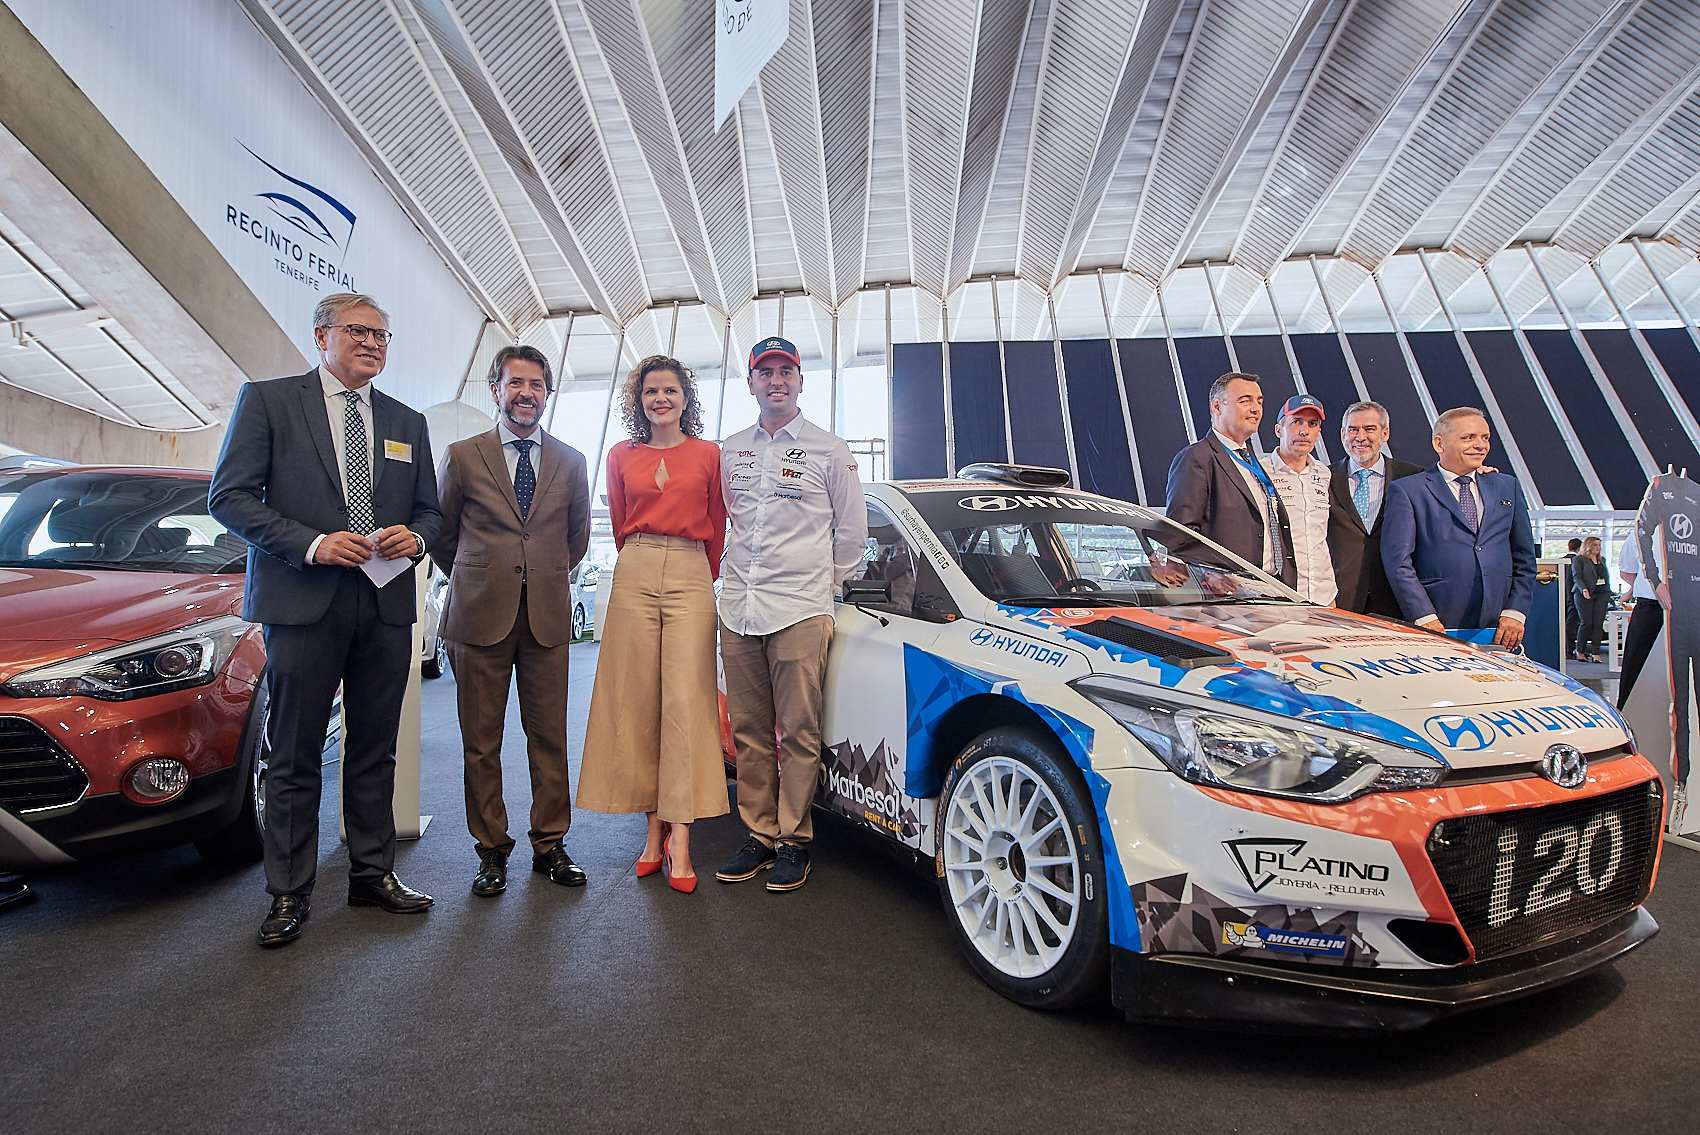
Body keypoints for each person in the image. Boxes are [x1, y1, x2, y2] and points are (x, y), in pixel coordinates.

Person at [209, 293, 441, 948]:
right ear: (322, 335)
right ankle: (288, 890)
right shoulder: (269, 402)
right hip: (303, 600)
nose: (372, 342)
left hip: (384, 601)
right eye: (358, 330)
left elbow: (432, 512)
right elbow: (227, 497)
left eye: (381, 334)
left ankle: (372, 872)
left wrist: (415, 539)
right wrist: (312, 543)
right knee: (294, 750)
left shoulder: (407, 421)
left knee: (375, 746)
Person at [432, 345, 591, 898]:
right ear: (495, 389)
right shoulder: (461, 455)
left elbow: (577, 539)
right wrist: (484, 575)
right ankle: (491, 850)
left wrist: (539, 575)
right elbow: (442, 535)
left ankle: (551, 844)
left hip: (545, 615)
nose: (527, 394)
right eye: (515, 383)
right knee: (481, 742)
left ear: (547, 394)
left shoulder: (571, 461)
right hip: (478, 615)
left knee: (549, 737)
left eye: (537, 385)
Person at [716, 336, 867, 892]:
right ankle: (758, 833)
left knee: (798, 730)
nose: (775, 380)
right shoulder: (730, 449)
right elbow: (726, 521)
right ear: (751, 383)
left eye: (786, 371)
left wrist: (822, 588)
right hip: (738, 607)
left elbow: (852, 535)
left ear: (801, 381)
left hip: (800, 608)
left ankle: (794, 838)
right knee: (750, 730)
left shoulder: (830, 449)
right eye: (765, 372)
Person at [578, 356, 728, 893]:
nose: (659, 399)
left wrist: (694, 573)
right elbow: (619, 522)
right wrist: (647, 559)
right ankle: (651, 832)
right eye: (649, 392)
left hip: (691, 569)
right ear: (637, 401)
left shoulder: (710, 455)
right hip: (636, 565)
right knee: (638, 698)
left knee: (687, 702)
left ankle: (681, 839)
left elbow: (718, 527)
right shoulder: (621, 455)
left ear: (686, 397)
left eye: (669, 390)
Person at [1380, 407, 1536, 650]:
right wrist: (1423, 615)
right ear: (1439, 443)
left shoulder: (1507, 486)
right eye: (1468, 438)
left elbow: (1525, 558)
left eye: (1485, 438)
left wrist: (1516, 611)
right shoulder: (1409, 491)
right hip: (1438, 623)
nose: (1480, 445)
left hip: (1499, 626)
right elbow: (1398, 561)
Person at [1164, 372, 1298, 587]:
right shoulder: (1197, 458)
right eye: (1245, 401)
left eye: (1259, 401)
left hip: (1272, 589)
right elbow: (1181, 534)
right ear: (1217, 407)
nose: (1256, 408)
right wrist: (1213, 572)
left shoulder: (1251, 459)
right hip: (1228, 596)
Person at [1326, 401, 1424, 617]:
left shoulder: (1413, 477)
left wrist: (1478, 473)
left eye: (1370, 429)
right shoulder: (1323, 478)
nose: (1360, 437)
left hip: (1399, 601)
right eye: (1353, 430)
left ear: (1385, 433)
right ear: (1343, 434)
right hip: (1341, 601)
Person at [1260, 394, 1336, 605]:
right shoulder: (1259, 471)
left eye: (1313, 424)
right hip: (1276, 594)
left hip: (1324, 594)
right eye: (1296, 422)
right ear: (1278, 429)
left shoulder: (1323, 473)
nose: (1304, 431)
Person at [1615, 534, 1664, 708]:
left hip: (1688, 607)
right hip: (1650, 605)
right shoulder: (1639, 533)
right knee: (1636, 665)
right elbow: (1627, 572)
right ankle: (1627, 714)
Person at [1572, 536, 1611, 664]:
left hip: (1602, 594)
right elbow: (1577, 577)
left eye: (1599, 545)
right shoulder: (1579, 559)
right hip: (1585, 594)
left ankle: (1596, 652)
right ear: (1588, 546)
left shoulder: (1602, 560)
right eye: (1595, 545)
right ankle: (1580, 650)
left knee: (1598, 624)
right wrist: (1583, 589)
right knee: (1586, 622)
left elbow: (1605, 577)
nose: (1598, 548)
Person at [1563, 537, 1584, 660]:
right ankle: (1569, 649)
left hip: (1561, 598)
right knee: (1571, 623)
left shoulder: (1560, 562)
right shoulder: (1577, 561)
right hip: (1573, 597)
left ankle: (1566, 648)